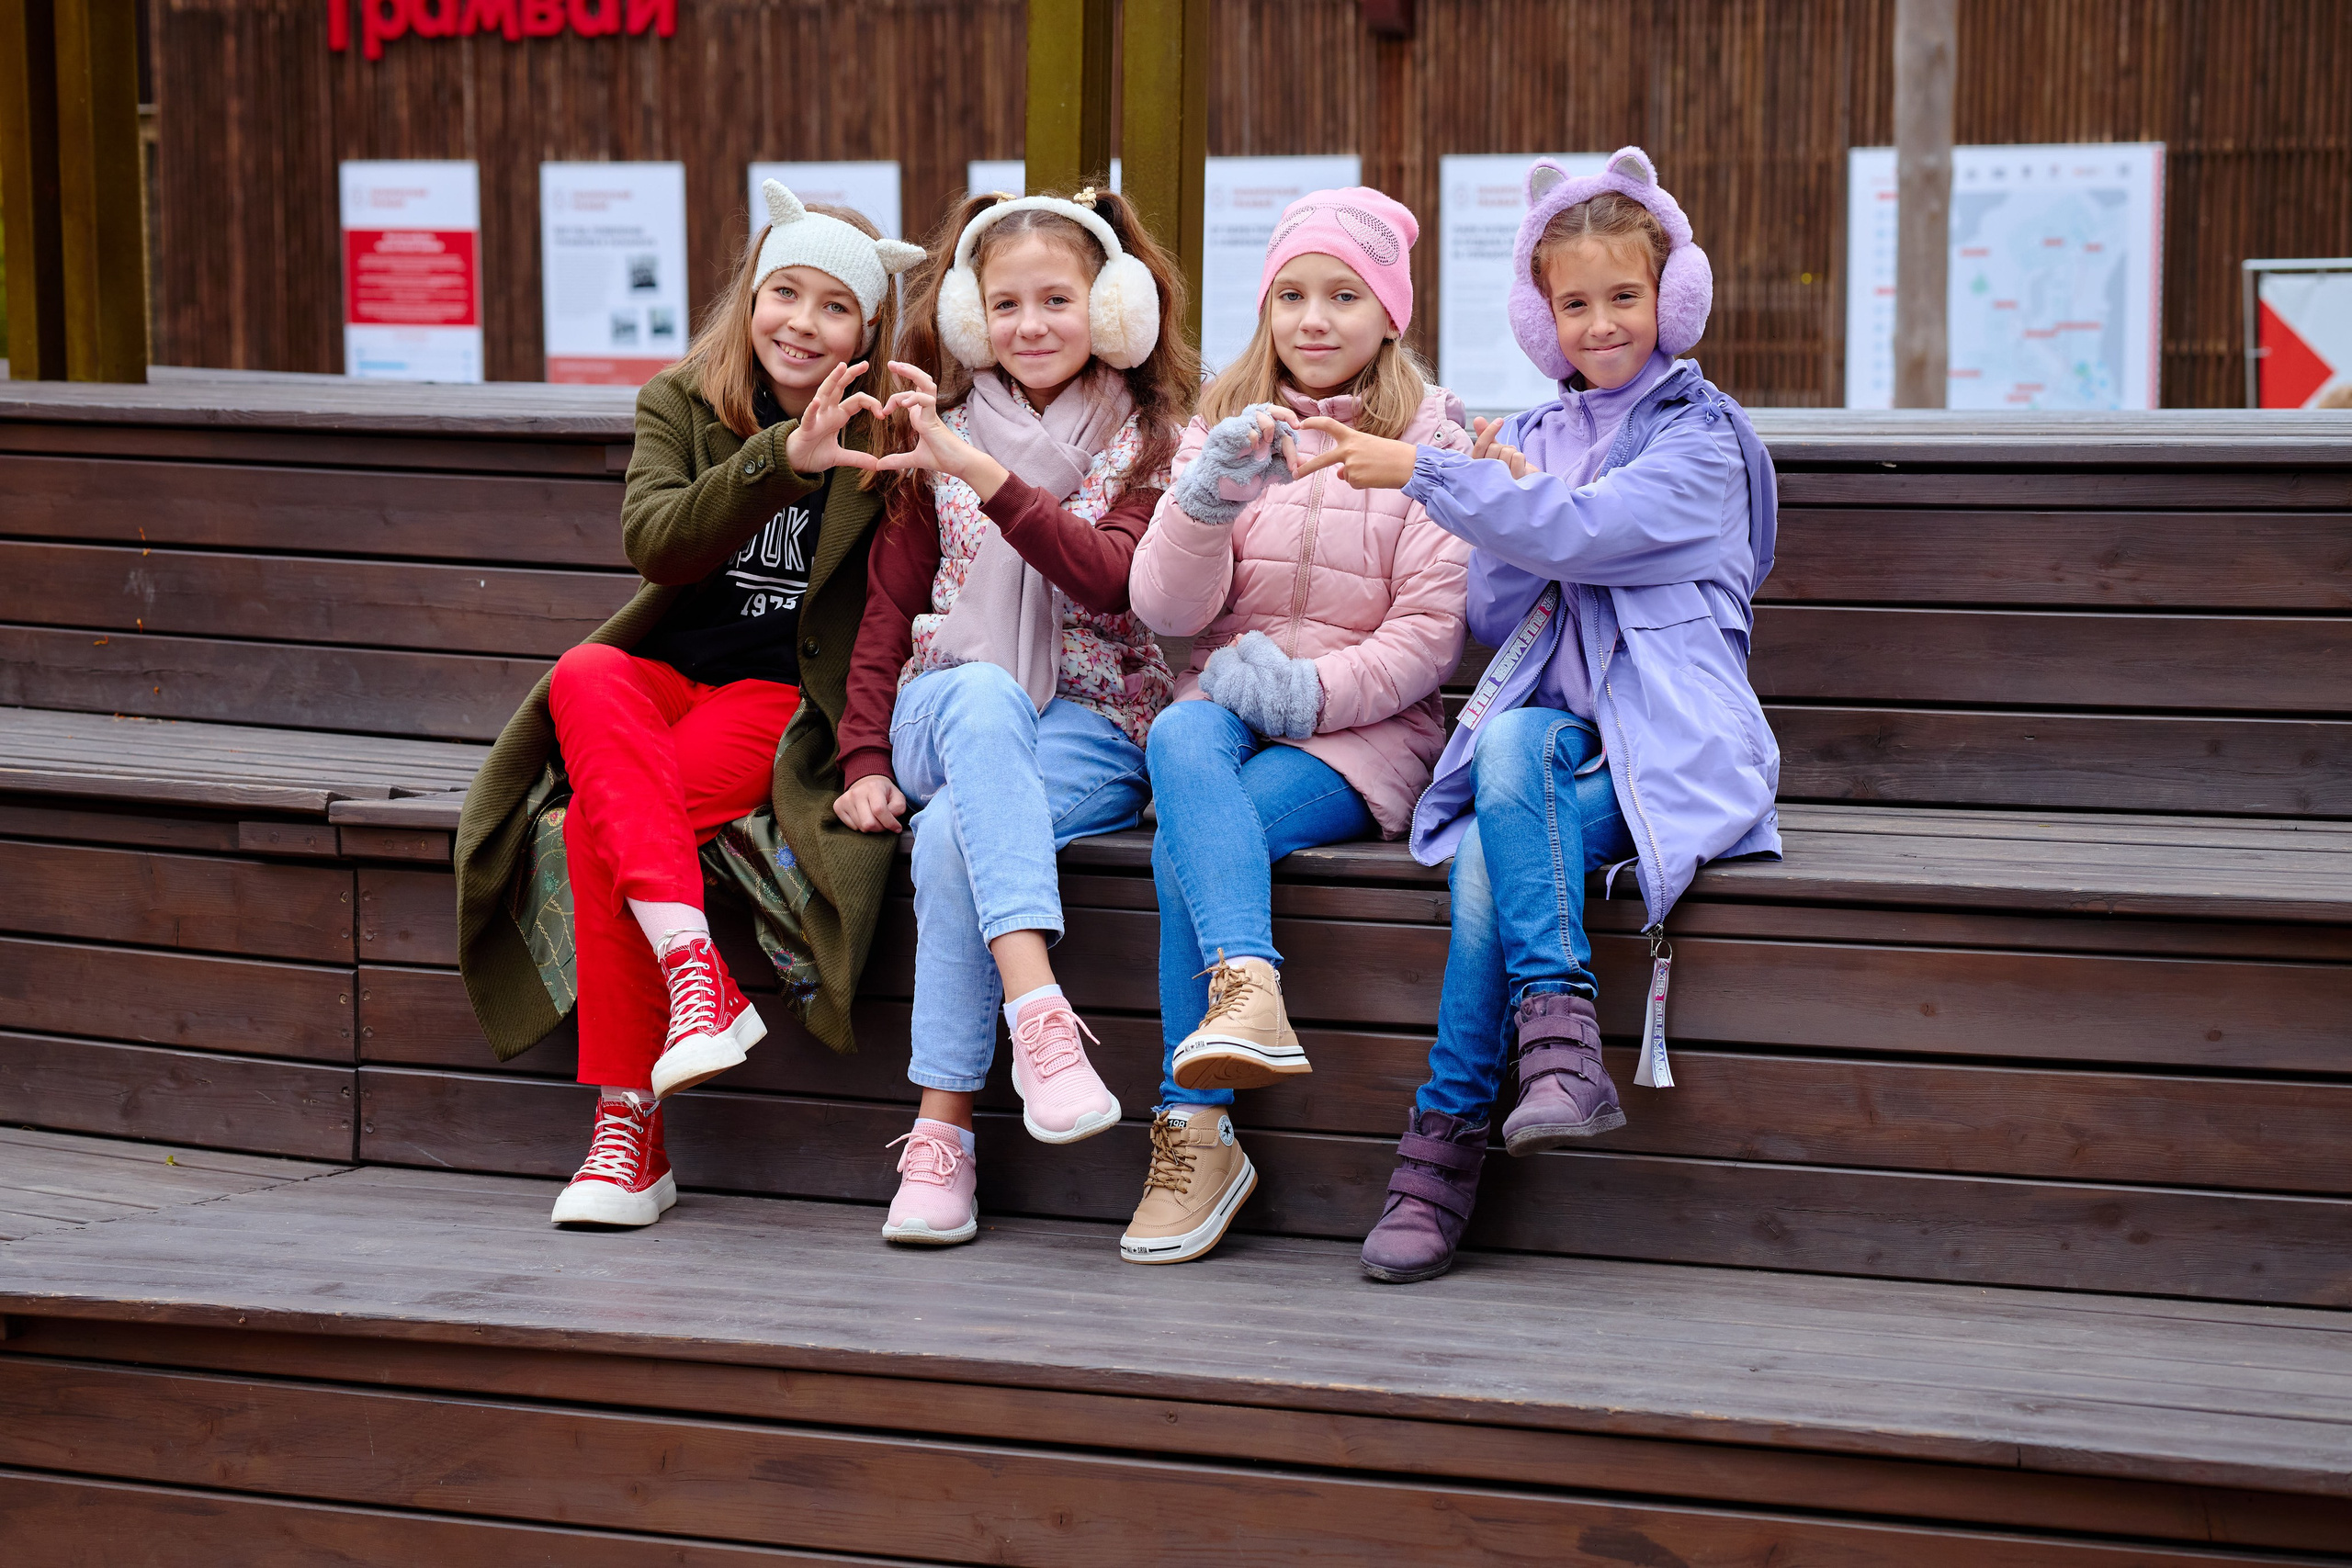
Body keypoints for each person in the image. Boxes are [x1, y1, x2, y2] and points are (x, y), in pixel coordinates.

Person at [1286, 148, 1781, 1282]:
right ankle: (1557, 1047)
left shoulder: (1700, 437)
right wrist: (1505, 504)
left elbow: (1589, 535)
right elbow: (1501, 600)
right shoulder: (1538, 438)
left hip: (1670, 746)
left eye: (1624, 297)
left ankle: (1442, 1145)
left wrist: (1437, 478)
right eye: (1574, 303)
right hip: (1548, 743)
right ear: (1539, 314)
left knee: (1487, 867)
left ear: (1674, 300)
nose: (1600, 324)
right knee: (1508, 744)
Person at [453, 182, 922, 1229]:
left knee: (588, 826)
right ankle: (693, 966)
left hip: (774, 701)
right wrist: (775, 462)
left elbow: (890, 600)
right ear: (751, 296)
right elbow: (656, 543)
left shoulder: (890, 427)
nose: (801, 323)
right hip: (662, 681)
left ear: (869, 324)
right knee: (583, 671)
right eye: (783, 293)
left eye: (833, 306)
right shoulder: (680, 399)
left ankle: (628, 1134)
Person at [838, 186, 1198, 1246]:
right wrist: (864, 754)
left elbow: (1109, 581)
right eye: (1005, 305)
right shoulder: (930, 433)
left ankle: (942, 1132)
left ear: (1117, 308)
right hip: (943, 708)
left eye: (1057, 299)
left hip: (1091, 722)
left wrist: (985, 477)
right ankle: (1041, 1016)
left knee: (953, 833)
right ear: (966, 317)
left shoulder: (1155, 446)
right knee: (987, 693)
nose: (1029, 325)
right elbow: (889, 612)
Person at [1119, 187, 1471, 1265]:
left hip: (1356, 740)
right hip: (1222, 708)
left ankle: (1194, 1125)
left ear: (1390, 314)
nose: (1313, 319)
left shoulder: (1432, 439)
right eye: (1290, 295)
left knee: (1192, 840)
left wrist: (1307, 700)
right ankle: (1250, 991)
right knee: (1178, 742)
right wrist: (1207, 500)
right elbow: (1166, 613)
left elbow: (1429, 635)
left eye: (1343, 296)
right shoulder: (1222, 431)